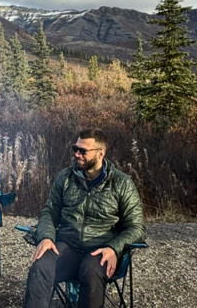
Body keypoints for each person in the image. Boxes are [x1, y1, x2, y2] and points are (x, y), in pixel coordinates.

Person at [23, 129, 146, 308]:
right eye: (75, 148)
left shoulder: (121, 183)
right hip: (67, 247)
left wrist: (114, 248)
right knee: (40, 267)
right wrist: (46, 237)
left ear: (100, 153)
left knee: (91, 272)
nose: (77, 154)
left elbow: (136, 228)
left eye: (83, 151)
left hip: (100, 250)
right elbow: (49, 212)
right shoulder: (65, 177)